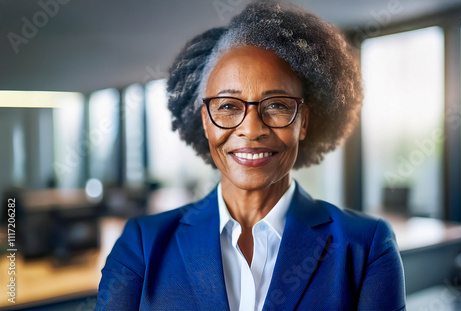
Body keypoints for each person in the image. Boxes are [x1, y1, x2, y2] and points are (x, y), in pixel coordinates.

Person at [96, 1, 406, 310]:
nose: (252, 129)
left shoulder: (366, 247)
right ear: (206, 121)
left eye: (277, 105)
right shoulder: (142, 246)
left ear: (304, 122)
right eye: (229, 106)